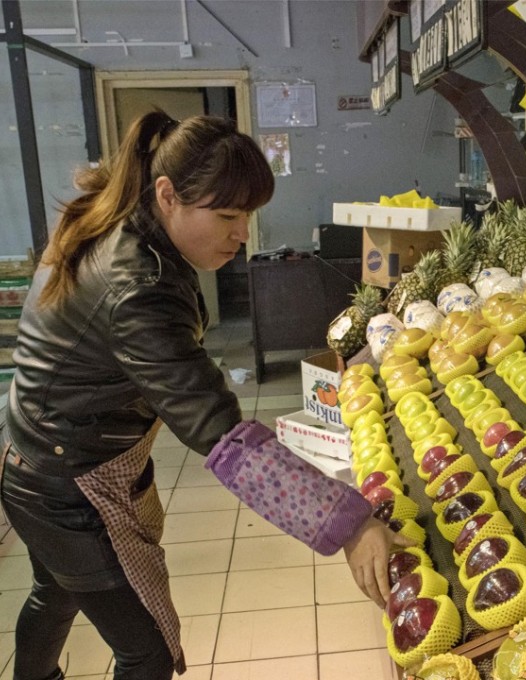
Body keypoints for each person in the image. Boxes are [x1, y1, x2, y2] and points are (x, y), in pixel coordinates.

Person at [0, 110, 409, 680]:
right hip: (66, 485)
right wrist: (349, 524)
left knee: (54, 593)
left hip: (34, 456)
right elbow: (223, 436)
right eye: (227, 215)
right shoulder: (138, 287)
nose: (242, 233)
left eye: (247, 215)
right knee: (147, 650)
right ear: (166, 194)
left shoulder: (121, 221)